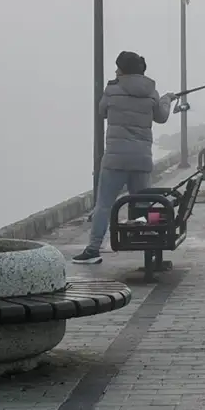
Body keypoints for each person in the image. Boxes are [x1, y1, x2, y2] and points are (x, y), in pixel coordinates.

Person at [72, 51, 174, 264]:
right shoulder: (152, 92)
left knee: (104, 205)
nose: (115, 71)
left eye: (118, 67)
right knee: (143, 204)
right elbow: (162, 117)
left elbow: (102, 112)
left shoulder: (112, 90)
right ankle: (151, 248)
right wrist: (167, 99)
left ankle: (92, 249)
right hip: (141, 159)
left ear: (123, 70)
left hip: (115, 160)